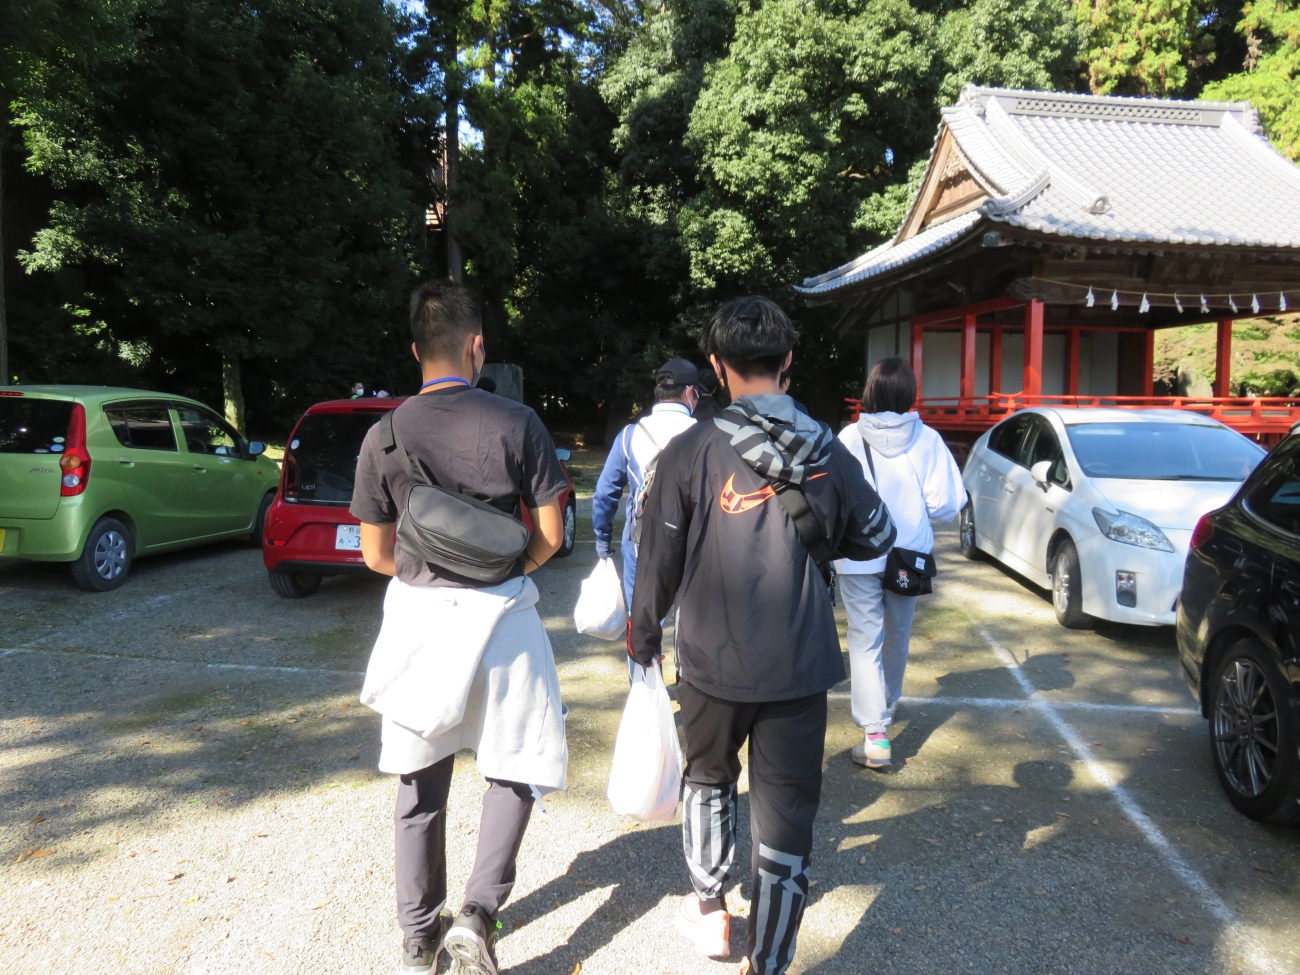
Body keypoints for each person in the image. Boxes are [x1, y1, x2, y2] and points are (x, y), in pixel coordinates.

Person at [629, 297, 896, 975]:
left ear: (715, 368)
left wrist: (642, 636)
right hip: (799, 662)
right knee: (785, 818)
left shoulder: (690, 450)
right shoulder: (829, 450)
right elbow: (875, 535)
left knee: (708, 781)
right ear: (788, 360)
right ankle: (770, 960)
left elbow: (656, 561)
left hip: (710, 662)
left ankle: (713, 913)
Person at [350, 280, 571, 975]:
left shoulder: (382, 434)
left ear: (415, 350)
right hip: (504, 620)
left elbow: (374, 553)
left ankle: (419, 940)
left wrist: (431, 581)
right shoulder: (518, 422)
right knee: (517, 765)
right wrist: (502, 572)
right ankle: (476, 914)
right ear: (479, 346)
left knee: (419, 782)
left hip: (418, 621)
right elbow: (552, 534)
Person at [835, 356, 965, 769]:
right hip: (907, 555)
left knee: (864, 637)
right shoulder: (926, 440)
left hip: (856, 554)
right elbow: (946, 504)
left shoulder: (850, 438)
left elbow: (833, 498)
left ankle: (875, 734)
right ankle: (884, 713)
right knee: (897, 636)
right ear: (909, 394)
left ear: (870, 391)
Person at [592, 358, 700, 609]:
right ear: (689, 391)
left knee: (642, 617)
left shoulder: (629, 434)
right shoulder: (707, 435)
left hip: (641, 539)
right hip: (692, 542)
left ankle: (641, 650)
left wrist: (602, 538)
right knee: (692, 616)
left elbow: (605, 493)